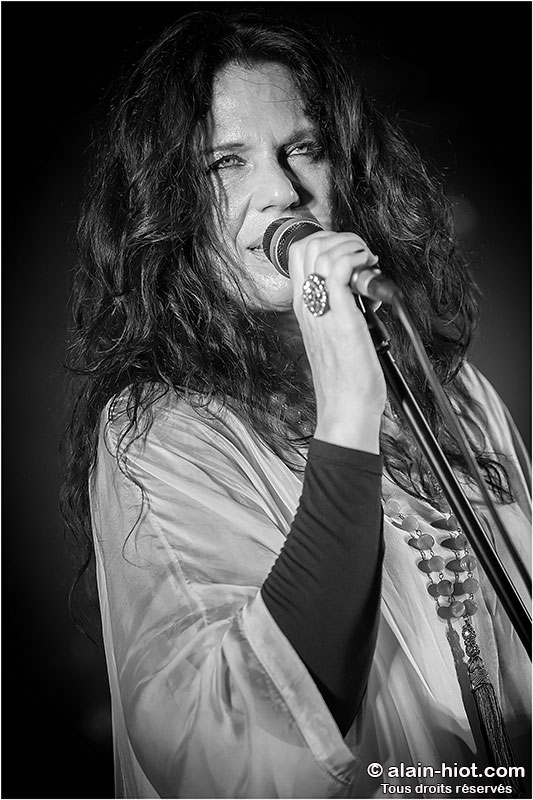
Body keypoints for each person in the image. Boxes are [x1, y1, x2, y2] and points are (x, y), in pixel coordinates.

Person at [61, 9, 531, 799]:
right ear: (169, 204)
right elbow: (231, 755)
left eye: (302, 149)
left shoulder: (448, 390)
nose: (281, 191)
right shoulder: (160, 435)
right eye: (226, 162)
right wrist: (346, 404)